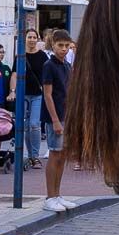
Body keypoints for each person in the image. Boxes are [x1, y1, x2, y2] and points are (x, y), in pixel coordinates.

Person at [42, 30, 76, 212]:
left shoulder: (67, 66)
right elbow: (47, 95)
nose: (63, 49)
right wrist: (55, 120)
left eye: (66, 45)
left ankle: (57, 194)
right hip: (54, 117)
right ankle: (50, 196)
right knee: (55, 154)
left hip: (66, 115)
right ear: (53, 45)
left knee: (62, 156)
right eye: (60, 45)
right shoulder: (49, 65)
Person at [21, 28, 47, 168]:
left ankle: (35, 156)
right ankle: (30, 156)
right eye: (29, 37)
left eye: (34, 37)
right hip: (23, 95)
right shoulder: (20, 55)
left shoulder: (43, 56)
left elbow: (48, 75)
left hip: (37, 94)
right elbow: (14, 74)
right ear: (25, 39)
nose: (31, 40)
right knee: (26, 126)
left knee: (34, 124)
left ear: (37, 39)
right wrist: (13, 91)